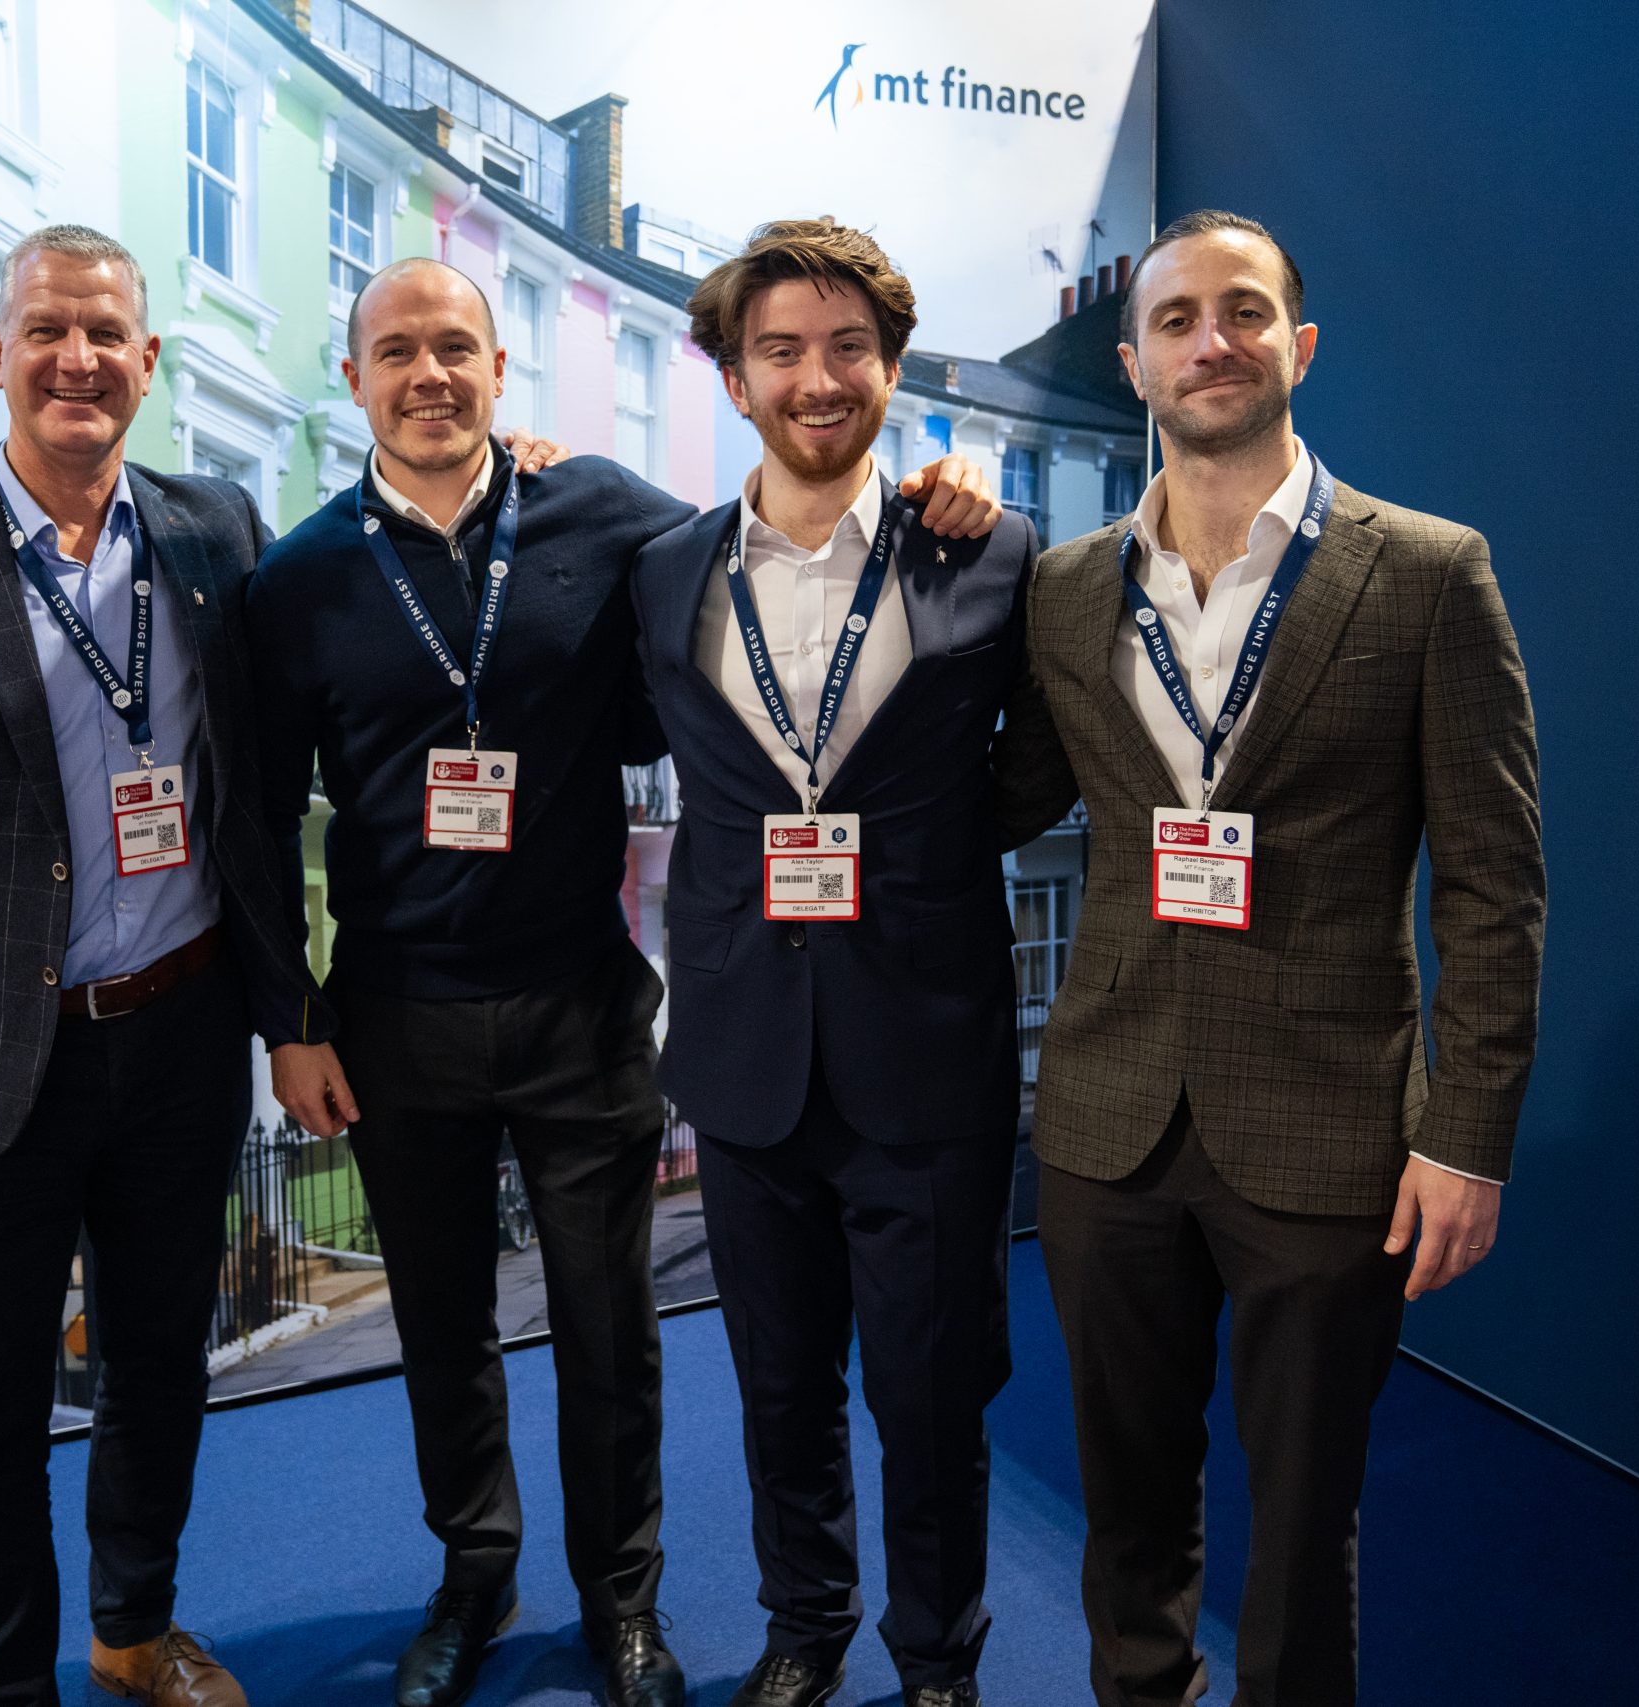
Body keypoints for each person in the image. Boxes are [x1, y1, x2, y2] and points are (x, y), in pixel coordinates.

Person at [246, 256, 997, 1707]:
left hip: (583, 1004)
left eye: (455, 348)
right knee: (444, 1329)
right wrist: (292, 1018)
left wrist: (935, 483)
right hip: (393, 1018)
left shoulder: (605, 518)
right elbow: (258, 818)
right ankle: (475, 1575)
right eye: (396, 352)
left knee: (609, 1329)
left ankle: (623, 1601)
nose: (428, 376)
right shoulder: (298, 580)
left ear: (499, 370)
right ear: (354, 380)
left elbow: (785, 524)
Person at [0, 224, 351, 1707]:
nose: (76, 358)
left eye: (104, 333)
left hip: (179, 1036)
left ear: (146, 363)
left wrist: (517, 468)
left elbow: (261, 786)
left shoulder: (217, 532)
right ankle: (1, 1689)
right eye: (46, 330)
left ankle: (132, 1630)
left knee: (161, 1368)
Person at [990, 209, 1546, 1707]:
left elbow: (1494, 886)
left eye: (1243, 312)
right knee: (1126, 1496)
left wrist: (1468, 1135)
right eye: (1175, 320)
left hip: (1330, 1123)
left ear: (1298, 345)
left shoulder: (1427, 572)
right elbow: (998, 799)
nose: (1211, 342)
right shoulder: (1066, 589)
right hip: (1109, 1120)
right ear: (1135, 365)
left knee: (1305, 1514)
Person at [631, 219, 1029, 1707]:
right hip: (745, 1051)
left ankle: (938, 1660)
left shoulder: (987, 552)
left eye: (849, 348)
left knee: (934, 1392)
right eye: (784, 351)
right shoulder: (660, 572)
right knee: (781, 1383)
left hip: (925, 1048)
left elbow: (1042, 759)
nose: (819, 378)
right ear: (735, 378)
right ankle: (805, 1632)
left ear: (890, 369)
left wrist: (933, 852)